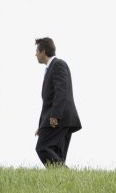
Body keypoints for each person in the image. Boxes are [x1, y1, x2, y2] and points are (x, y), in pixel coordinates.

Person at [34, 37, 81, 166]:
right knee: (58, 154)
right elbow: (48, 102)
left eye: (37, 51)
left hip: (60, 118)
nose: (35, 55)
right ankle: (64, 177)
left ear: (43, 52)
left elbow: (61, 91)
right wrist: (41, 126)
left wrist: (55, 115)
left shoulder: (58, 64)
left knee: (42, 148)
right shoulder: (50, 68)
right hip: (58, 118)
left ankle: (68, 174)